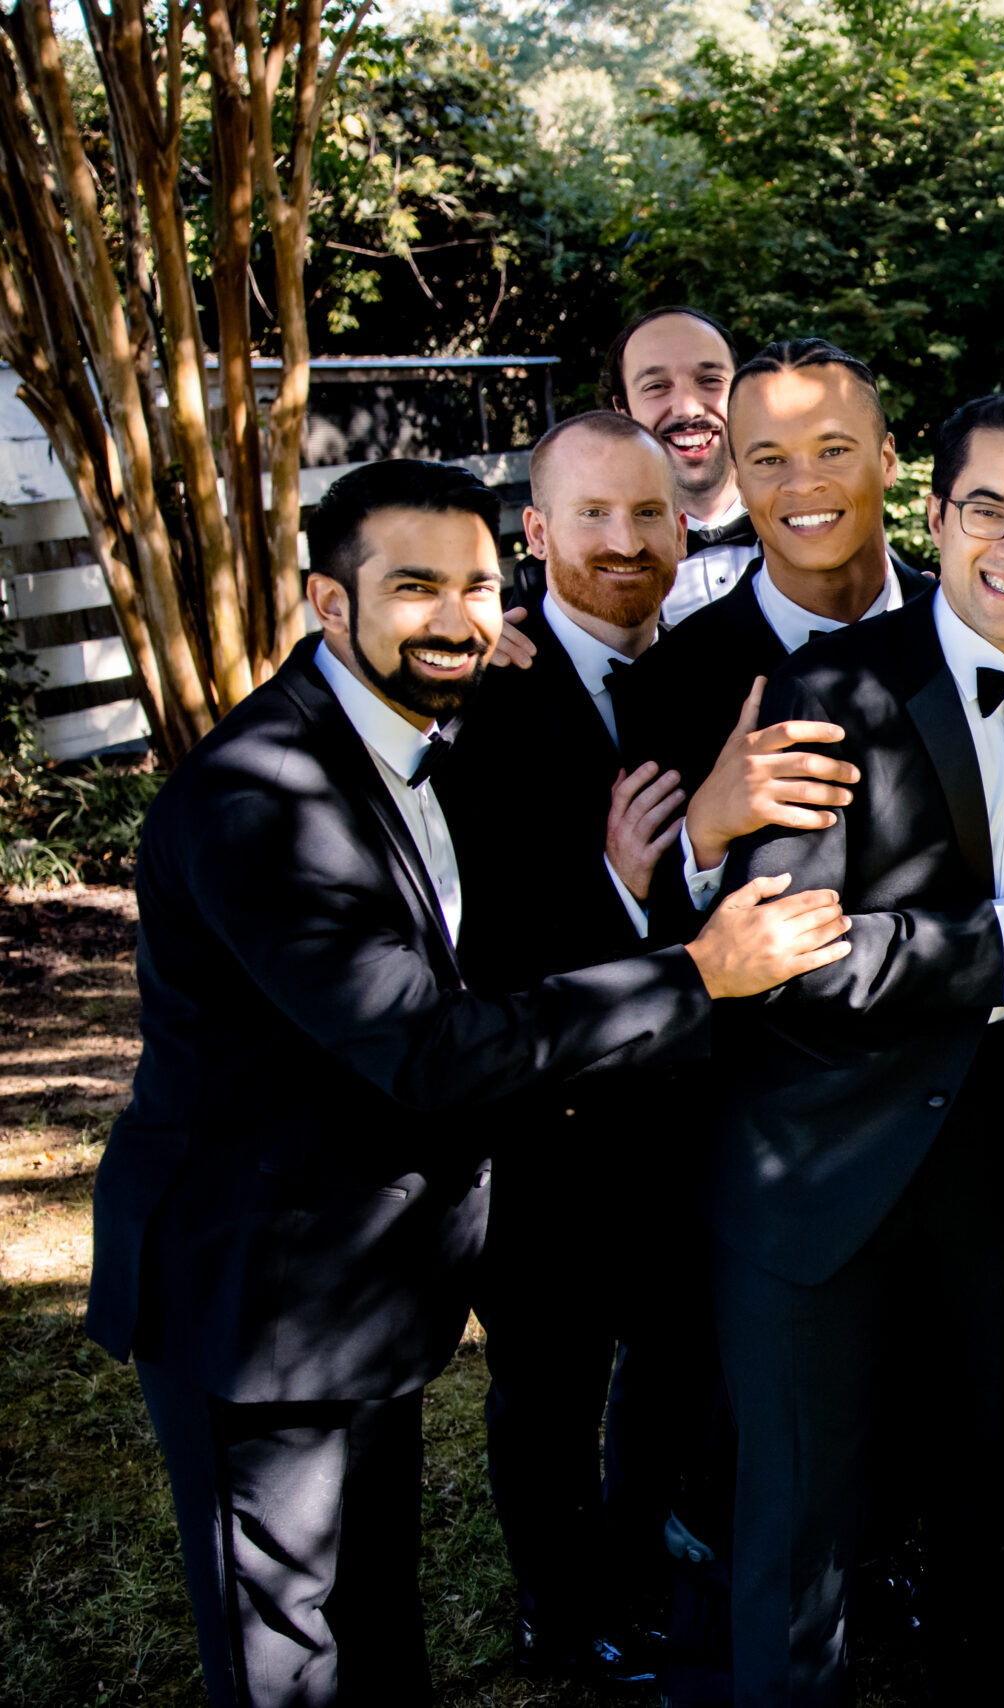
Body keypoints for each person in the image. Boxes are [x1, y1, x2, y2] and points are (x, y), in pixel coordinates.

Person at [84, 459, 850, 1708]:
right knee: (285, 1643)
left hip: (370, 1280)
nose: (454, 617)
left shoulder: (415, 740)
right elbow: (427, 1046)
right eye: (414, 588)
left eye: (477, 586)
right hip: (258, 1287)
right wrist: (697, 972)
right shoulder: (260, 796)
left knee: (375, 1606)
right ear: (331, 604)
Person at [709, 393, 1004, 1706]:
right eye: (987, 509)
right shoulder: (829, 688)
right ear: (937, 516)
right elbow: (792, 949)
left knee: (977, 1494)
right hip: (818, 1162)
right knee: (800, 1524)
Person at [432, 413, 716, 1685]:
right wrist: (613, 877)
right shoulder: (479, 700)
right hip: (547, 1121)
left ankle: (646, 1563)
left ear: (682, 523)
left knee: (669, 1354)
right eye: (591, 516)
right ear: (535, 532)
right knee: (547, 1383)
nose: (622, 541)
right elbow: (475, 939)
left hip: (688, 1107)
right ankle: (559, 1601)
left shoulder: (708, 670)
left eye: (646, 514)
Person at [612, 338, 924, 931]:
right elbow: (655, 951)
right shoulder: (663, 683)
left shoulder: (969, 629)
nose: (802, 484)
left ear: (887, 459)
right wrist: (704, 837)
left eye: (832, 449)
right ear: (738, 473)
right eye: (768, 459)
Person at [605, 305, 756, 626]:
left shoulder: (818, 521)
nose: (688, 408)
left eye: (710, 380)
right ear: (624, 411)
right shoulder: (581, 564)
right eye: (657, 386)